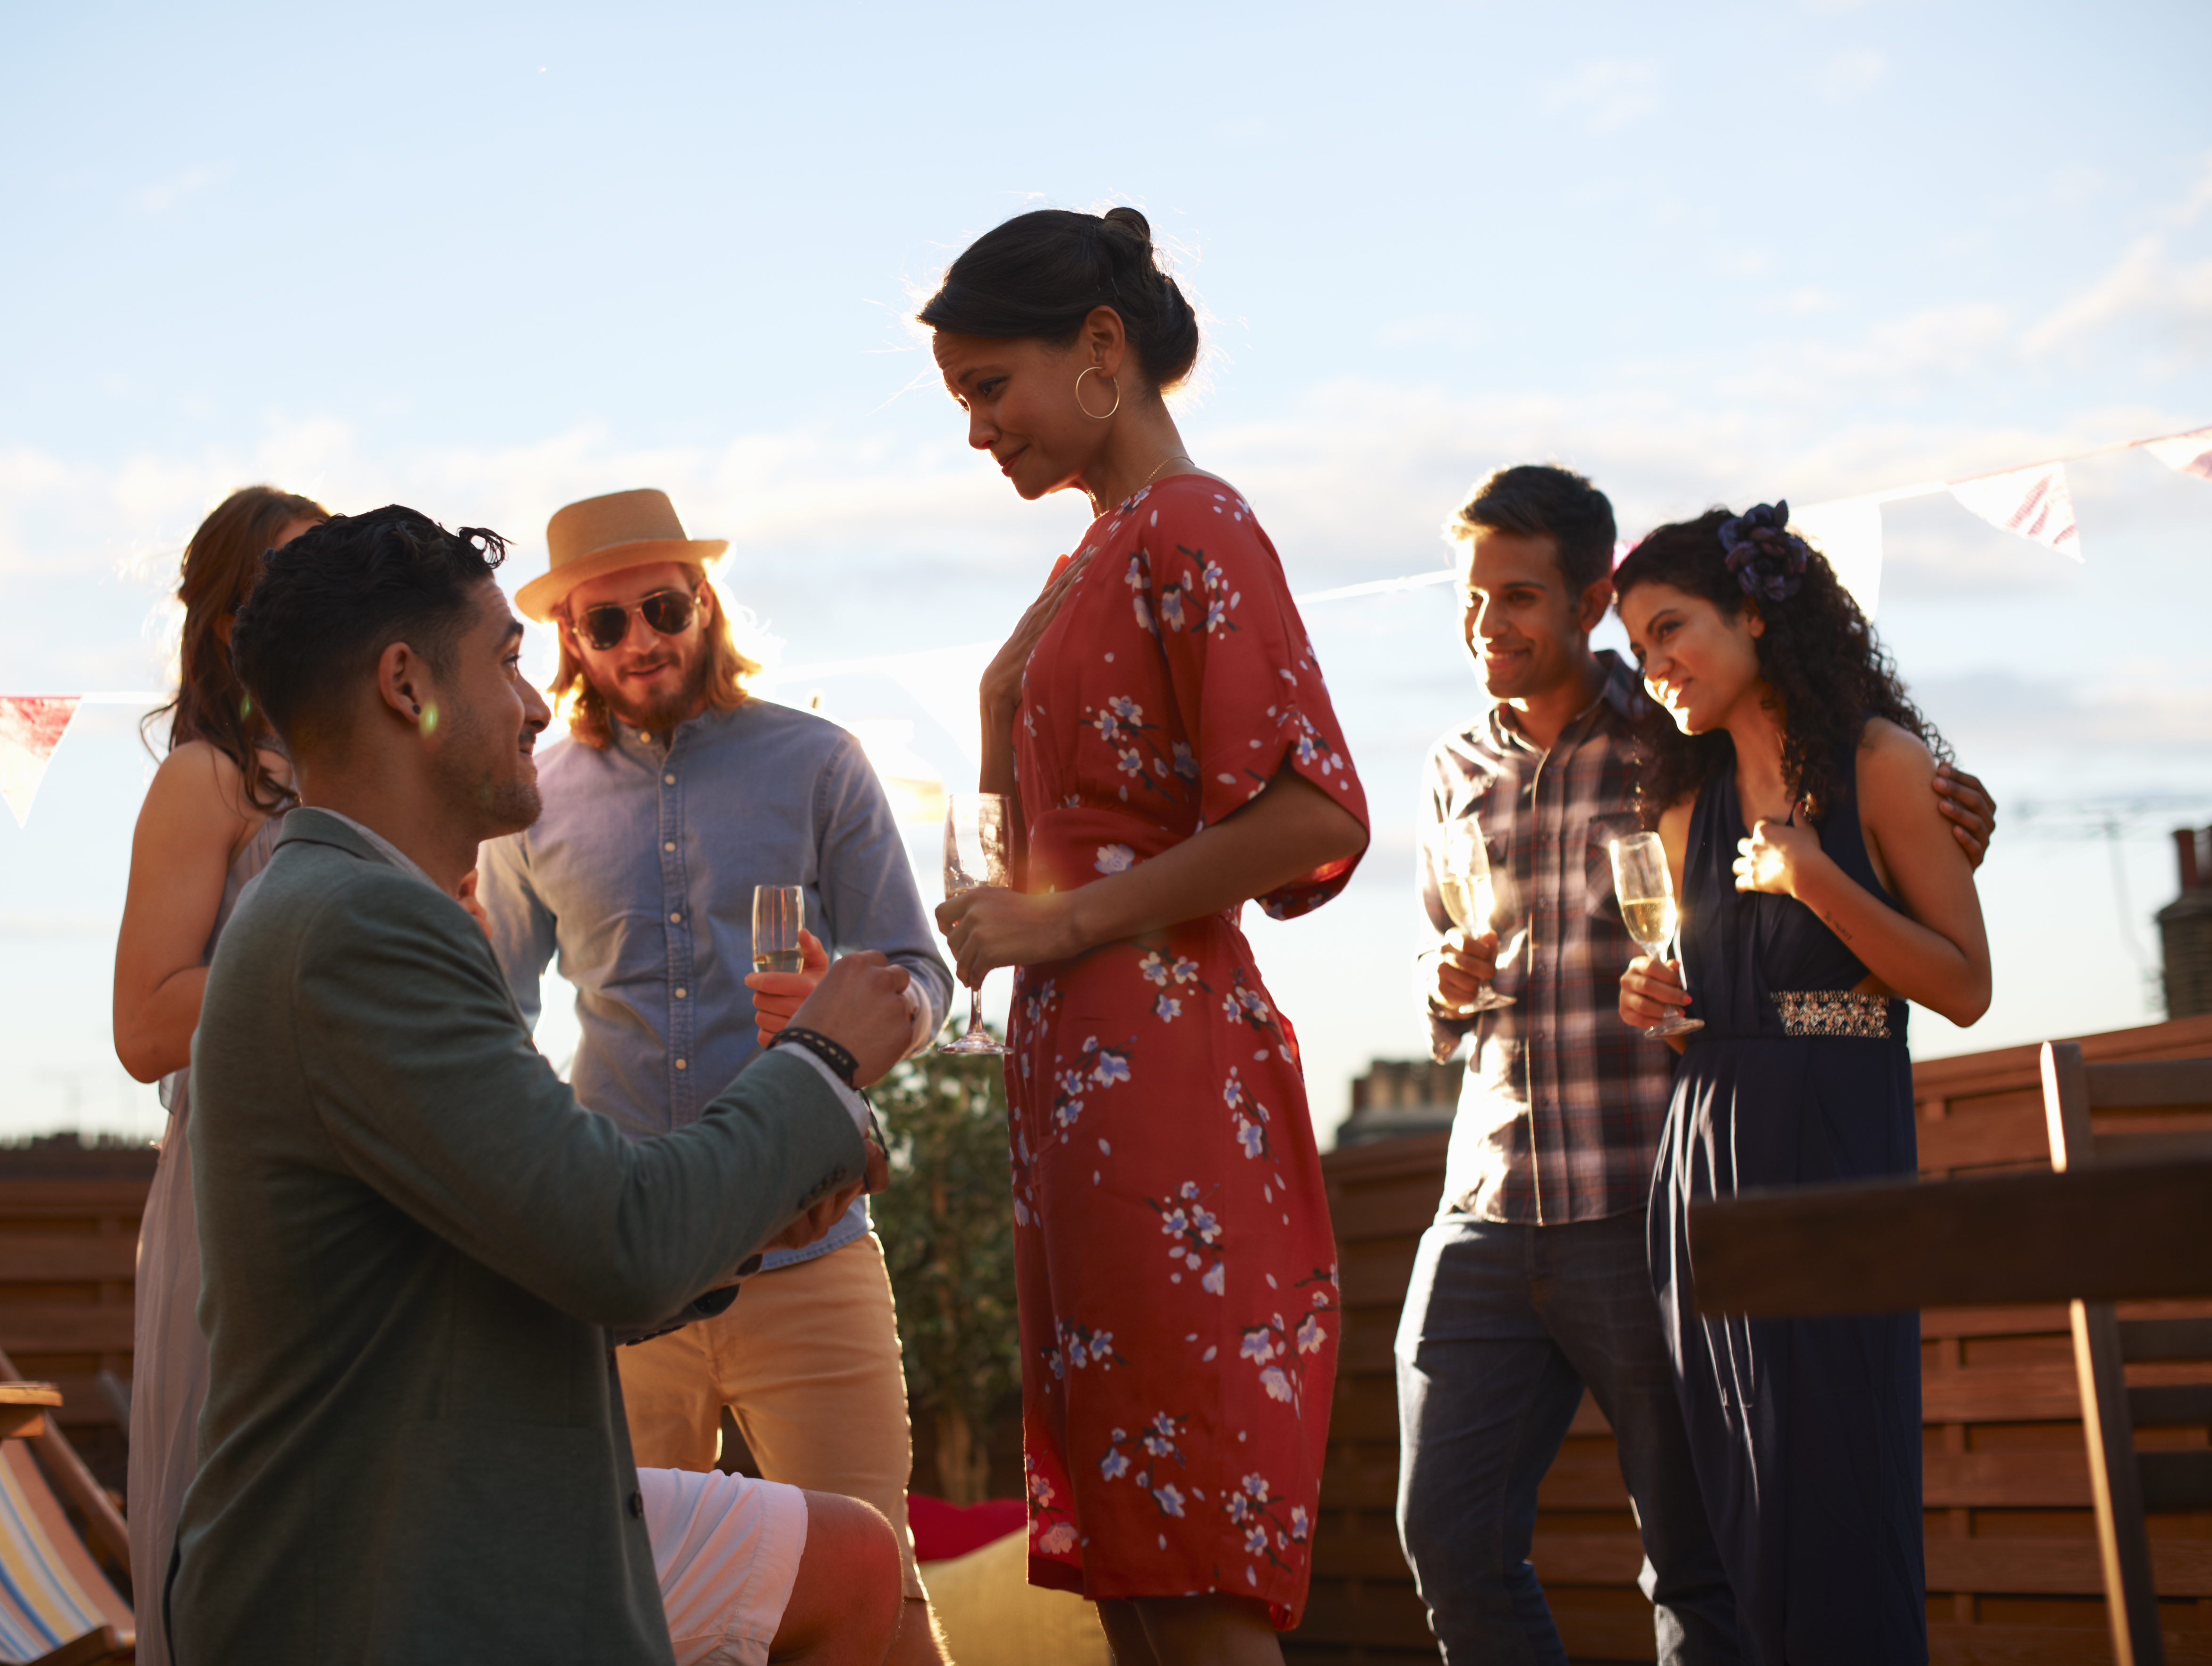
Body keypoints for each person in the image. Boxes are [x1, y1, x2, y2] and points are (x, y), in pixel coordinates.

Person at [172, 504, 913, 1665]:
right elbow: (613, 1242)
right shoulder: (362, 931)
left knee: (860, 1559)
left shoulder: (358, 907)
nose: (533, 703)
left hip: (462, 1470)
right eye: (511, 660)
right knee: (853, 1569)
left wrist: (764, 1213)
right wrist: (820, 1070)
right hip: (388, 1556)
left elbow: (538, 1221)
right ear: (406, 687)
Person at [1404, 469, 1994, 1666]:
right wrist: (1453, 989)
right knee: (1455, 1543)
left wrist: (1928, 830)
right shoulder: (1488, 765)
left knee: (1719, 1553)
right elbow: (1481, 965)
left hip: (1672, 1184)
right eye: (1472, 601)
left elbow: (1925, 935)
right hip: (1535, 1187)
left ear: (1587, 598)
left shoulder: (1669, 741)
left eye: (1521, 597)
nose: (1489, 625)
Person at [923, 207, 1371, 1666]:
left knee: (1192, 1548)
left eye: (991, 387)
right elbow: (1030, 864)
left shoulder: (1193, 520)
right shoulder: (1097, 550)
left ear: (1099, 348)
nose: (978, 430)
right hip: (1077, 1078)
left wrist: (1058, 922)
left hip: (1161, 1064)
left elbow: (1311, 811)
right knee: (1136, 1553)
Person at [477, 487, 957, 1665]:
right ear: (569, 641)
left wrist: (850, 1014)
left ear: (705, 603)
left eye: (663, 605)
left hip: (811, 1250)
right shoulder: (526, 800)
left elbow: (919, 974)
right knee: (624, 1613)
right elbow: (490, 1018)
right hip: (621, 1264)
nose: (641, 640)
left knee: (878, 1591)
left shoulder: (819, 761)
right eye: (607, 623)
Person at [1614, 503, 1992, 1664]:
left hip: (1835, 1148)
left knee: (1835, 1484)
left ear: (1753, 613)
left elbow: (1966, 986)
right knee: (1740, 1509)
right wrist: (1654, 1006)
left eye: (1670, 627)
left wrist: (1812, 876)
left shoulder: (1883, 765)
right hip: (1705, 1163)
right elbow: (1715, 993)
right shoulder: (1677, 806)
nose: (1655, 663)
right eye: (1636, 649)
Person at [111, 482, 323, 1649]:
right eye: (279, 583)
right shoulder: (210, 778)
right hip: (241, 1198)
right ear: (230, 626)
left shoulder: (385, 783)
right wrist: (325, 965)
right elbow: (146, 1025)